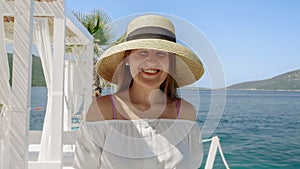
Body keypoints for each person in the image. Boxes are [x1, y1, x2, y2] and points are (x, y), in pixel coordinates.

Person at [73, 14, 204, 169]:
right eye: (143, 52)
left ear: (170, 62)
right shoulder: (103, 109)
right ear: (127, 59)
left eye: (161, 53)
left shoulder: (185, 112)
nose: (151, 61)